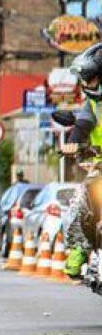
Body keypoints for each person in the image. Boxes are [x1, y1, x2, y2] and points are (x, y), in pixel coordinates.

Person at [59, 42, 102, 278]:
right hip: (99, 166)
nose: (86, 84)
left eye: (91, 78)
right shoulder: (92, 105)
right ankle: (79, 250)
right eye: (84, 79)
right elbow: (83, 124)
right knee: (78, 204)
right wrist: (74, 143)